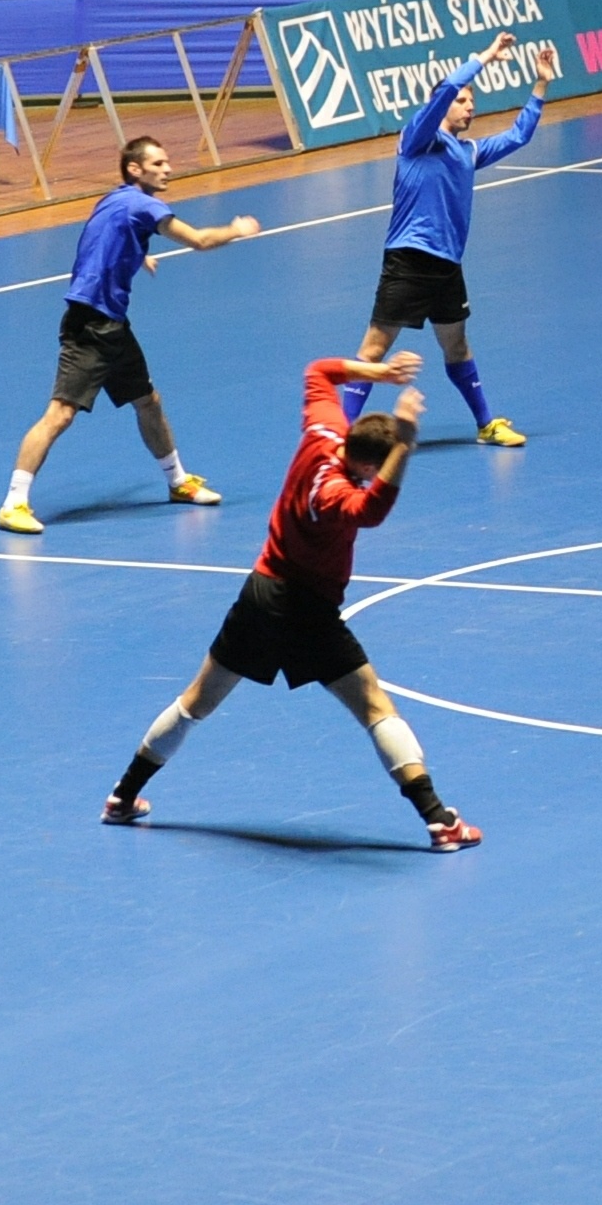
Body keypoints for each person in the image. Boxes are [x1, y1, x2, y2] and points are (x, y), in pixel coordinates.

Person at [101, 351, 481, 849]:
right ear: (367, 463)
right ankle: (439, 821)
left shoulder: (324, 431)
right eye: (375, 468)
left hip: (260, 594)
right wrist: (405, 447)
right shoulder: (337, 495)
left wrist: (379, 373)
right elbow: (369, 511)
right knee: (373, 706)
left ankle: (122, 797)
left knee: (196, 701)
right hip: (307, 611)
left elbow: (319, 370)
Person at [0, 135, 262, 536]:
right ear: (135, 169)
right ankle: (13, 502)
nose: (167, 169)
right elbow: (200, 241)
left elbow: (104, 237)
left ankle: (177, 483)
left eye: (166, 161)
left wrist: (138, 255)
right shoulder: (144, 204)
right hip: (90, 325)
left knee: (148, 401)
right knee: (60, 414)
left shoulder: (116, 200)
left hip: (112, 325)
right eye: (158, 164)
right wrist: (236, 228)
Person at [346, 29, 554, 447]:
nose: (469, 104)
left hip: (447, 265)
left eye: (472, 100)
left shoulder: (469, 152)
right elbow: (445, 89)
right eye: (462, 99)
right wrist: (487, 55)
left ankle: (485, 424)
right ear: (441, 105)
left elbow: (518, 136)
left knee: (457, 346)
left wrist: (541, 83)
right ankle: (339, 434)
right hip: (409, 260)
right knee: (372, 351)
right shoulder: (417, 138)